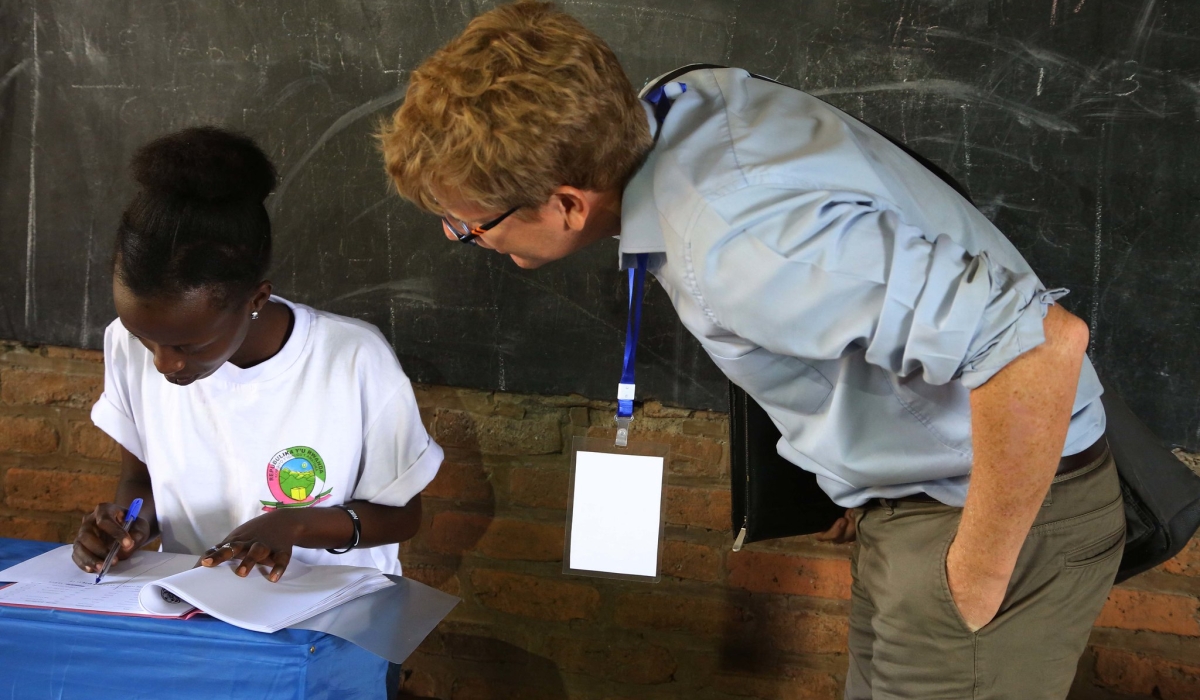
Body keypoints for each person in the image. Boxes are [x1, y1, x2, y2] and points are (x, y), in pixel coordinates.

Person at [378, 3, 1124, 698]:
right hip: (926, 497)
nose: (463, 237)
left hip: (985, 508)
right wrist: (867, 475)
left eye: (471, 225)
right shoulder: (675, 103)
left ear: (567, 204)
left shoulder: (738, 249)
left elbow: (1038, 348)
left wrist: (975, 575)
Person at [73, 126, 441, 698]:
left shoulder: (350, 359)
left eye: (188, 346)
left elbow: (402, 516)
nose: (165, 364)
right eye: (147, 339)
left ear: (256, 299)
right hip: (193, 623)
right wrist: (127, 524)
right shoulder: (125, 344)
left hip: (329, 633)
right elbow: (138, 476)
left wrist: (294, 524)